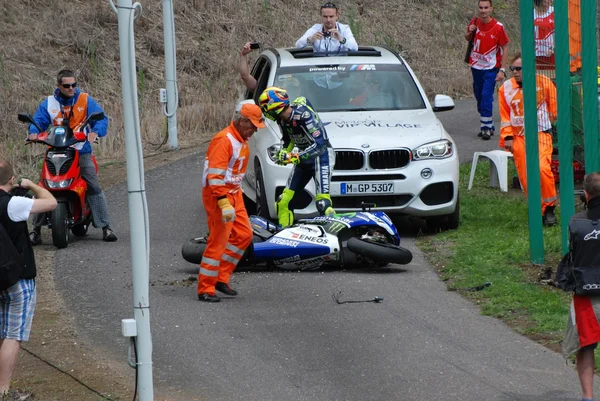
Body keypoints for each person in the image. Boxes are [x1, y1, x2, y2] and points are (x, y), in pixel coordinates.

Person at [27, 69, 117, 244]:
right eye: (67, 85)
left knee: (92, 183)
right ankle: (35, 230)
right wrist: (33, 133)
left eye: (73, 85)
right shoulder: (49, 103)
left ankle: (106, 227)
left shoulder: (84, 99)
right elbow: (38, 121)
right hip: (55, 150)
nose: (71, 89)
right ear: (58, 85)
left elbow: (101, 119)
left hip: (80, 150)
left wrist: (95, 132)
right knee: (42, 186)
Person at [197, 104, 266, 302]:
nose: (253, 130)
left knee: (244, 234)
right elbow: (215, 176)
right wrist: (223, 202)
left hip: (233, 194)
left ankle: (220, 277)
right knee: (218, 240)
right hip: (220, 196)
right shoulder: (224, 140)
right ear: (242, 121)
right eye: (252, 126)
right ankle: (206, 288)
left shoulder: (240, 139)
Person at [0, 160, 57, 397]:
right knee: (12, 335)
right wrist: (32, 184)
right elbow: (51, 202)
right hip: (18, 277)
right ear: (11, 180)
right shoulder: (13, 203)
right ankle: (2, 389)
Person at [258, 87, 335, 228]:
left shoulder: (304, 115)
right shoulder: (282, 120)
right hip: (303, 159)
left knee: (322, 203)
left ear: (274, 107)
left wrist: (294, 156)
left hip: (321, 158)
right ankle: (284, 236)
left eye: (266, 108)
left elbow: (320, 145)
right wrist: (282, 153)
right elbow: (288, 140)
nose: (265, 113)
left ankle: (335, 234)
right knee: (283, 201)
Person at [498, 53, 558, 226]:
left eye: (519, 69)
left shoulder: (544, 83)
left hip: (541, 135)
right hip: (518, 138)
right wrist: (507, 137)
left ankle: (549, 208)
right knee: (526, 176)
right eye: (513, 69)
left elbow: (555, 109)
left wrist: (547, 122)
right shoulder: (505, 89)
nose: (515, 72)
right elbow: (504, 116)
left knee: (542, 168)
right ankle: (537, 210)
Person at [558, 172, 600, 401]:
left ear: (586, 194)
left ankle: (588, 397)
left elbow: (572, 253)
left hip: (586, 294)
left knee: (587, 346)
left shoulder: (576, 222)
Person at [465, 0, 510, 140]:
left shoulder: (498, 27)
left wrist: (502, 70)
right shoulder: (475, 21)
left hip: (491, 68)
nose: (483, 10)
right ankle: (489, 124)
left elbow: (505, 47)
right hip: (476, 66)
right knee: (479, 95)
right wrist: (470, 31)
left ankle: (485, 128)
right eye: (481, 8)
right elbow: (467, 38)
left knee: (486, 96)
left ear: (491, 9)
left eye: (486, 8)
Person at [533, 0, 555, 74]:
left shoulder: (554, 12)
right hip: (535, 55)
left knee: (552, 80)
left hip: (550, 54)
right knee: (537, 81)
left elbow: (559, 33)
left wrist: (552, 48)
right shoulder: (531, 13)